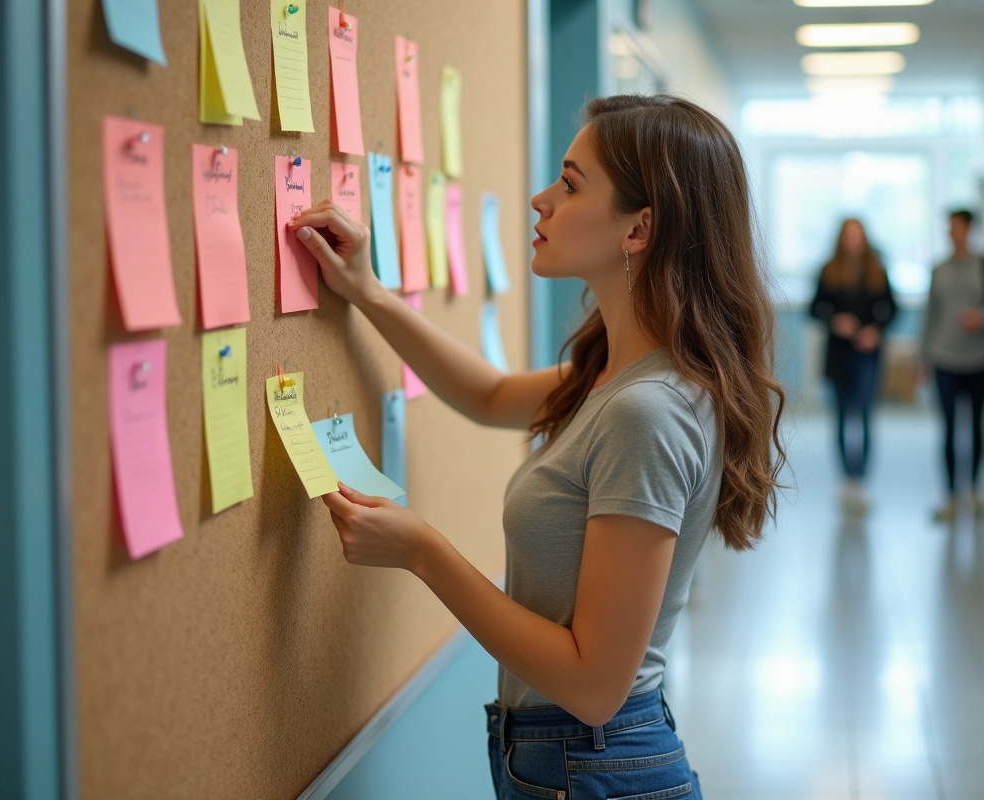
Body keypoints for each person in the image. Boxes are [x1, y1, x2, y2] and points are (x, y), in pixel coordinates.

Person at [287, 95, 785, 799]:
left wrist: (423, 552)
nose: (541, 200)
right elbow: (488, 394)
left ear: (639, 228)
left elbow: (593, 687)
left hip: (594, 765)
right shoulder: (615, 375)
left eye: (571, 185)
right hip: (569, 760)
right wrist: (367, 291)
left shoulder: (648, 411)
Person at [920, 209, 984, 521]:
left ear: (970, 229)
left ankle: (973, 490)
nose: (952, 232)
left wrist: (981, 317)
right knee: (948, 428)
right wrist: (923, 358)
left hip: (979, 359)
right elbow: (930, 315)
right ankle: (949, 496)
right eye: (949, 227)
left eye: (957, 226)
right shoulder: (939, 270)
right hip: (945, 358)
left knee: (976, 426)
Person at [809, 219, 896, 512]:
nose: (854, 241)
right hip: (839, 355)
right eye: (849, 236)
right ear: (841, 239)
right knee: (842, 419)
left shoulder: (877, 271)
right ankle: (846, 479)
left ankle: (861, 481)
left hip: (867, 355)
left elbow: (891, 309)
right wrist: (835, 321)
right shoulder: (828, 271)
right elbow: (815, 308)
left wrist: (876, 330)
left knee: (866, 418)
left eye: (858, 236)